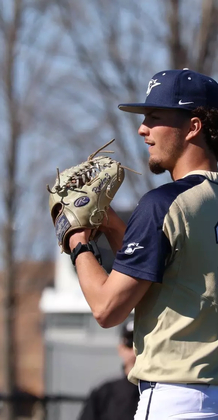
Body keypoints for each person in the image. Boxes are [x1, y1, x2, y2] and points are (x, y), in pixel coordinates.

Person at [68, 68, 218, 419]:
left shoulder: (164, 203)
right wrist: (117, 228)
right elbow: (166, 273)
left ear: (194, 126)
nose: (142, 129)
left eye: (155, 117)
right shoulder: (194, 204)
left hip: (178, 401)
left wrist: (77, 241)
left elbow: (108, 309)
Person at [78, 318, 139, 420]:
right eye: (130, 344)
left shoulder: (159, 391)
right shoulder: (104, 393)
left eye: (141, 345)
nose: (134, 351)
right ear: (120, 349)